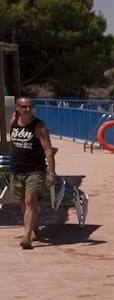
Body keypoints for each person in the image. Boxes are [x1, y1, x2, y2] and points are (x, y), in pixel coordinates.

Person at [6, 96, 57, 250]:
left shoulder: (39, 126)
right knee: (23, 203)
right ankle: (34, 228)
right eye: (24, 107)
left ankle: (26, 237)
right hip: (16, 170)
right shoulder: (12, 122)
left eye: (30, 106)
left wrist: (51, 172)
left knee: (30, 201)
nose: (28, 109)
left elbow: (48, 150)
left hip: (35, 170)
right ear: (18, 108)